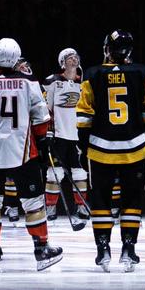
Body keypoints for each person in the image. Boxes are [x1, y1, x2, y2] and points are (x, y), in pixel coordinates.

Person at [0, 38, 63, 271]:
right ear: (17, 57)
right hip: (24, 151)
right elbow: (41, 118)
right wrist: (42, 141)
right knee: (32, 201)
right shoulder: (28, 82)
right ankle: (41, 247)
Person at [77, 30, 145, 272]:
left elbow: (83, 117)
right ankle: (128, 248)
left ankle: (103, 248)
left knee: (101, 199)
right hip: (134, 149)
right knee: (131, 199)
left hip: (100, 149)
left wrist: (84, 146)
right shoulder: (142, 73)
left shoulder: (92, 74)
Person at [44, 48, 89, 222]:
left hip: (78, 136)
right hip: (59, 135)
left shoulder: (84, 83)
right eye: (70, 57)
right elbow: (46, 108)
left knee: (80, 172)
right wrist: (48, 131)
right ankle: (50, 207)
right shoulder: (53, 81)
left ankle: (81, 206)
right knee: (53, 172)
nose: (74, 59)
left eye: (76, 57)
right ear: (62, 62)